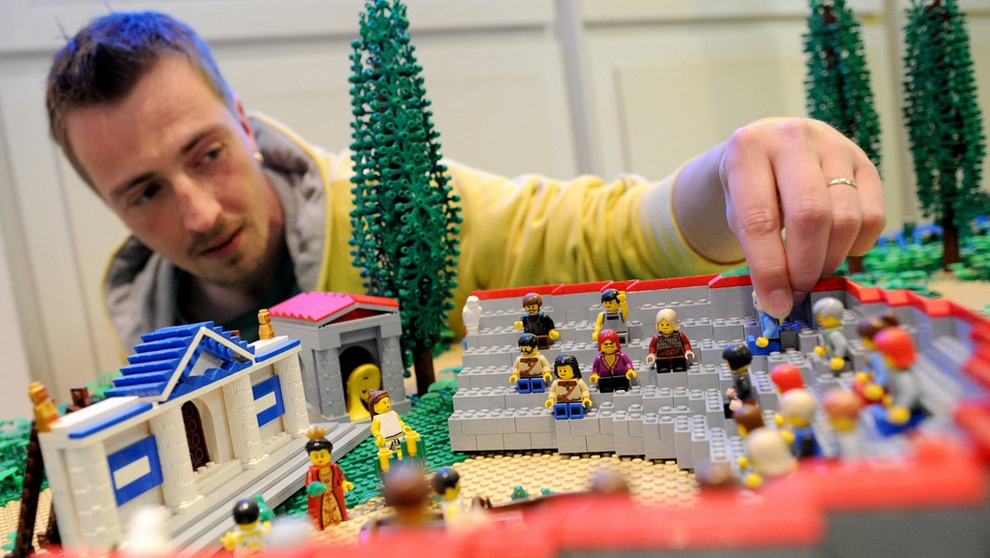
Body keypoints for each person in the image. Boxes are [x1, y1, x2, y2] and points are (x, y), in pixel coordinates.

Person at [46, 11, 885, 351]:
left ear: (243, 120)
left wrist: (731, 172)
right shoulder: (144, 336)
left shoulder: (398, 204)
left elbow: (602, 230)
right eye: (144, 193)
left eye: (205, 154)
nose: (197, 214)